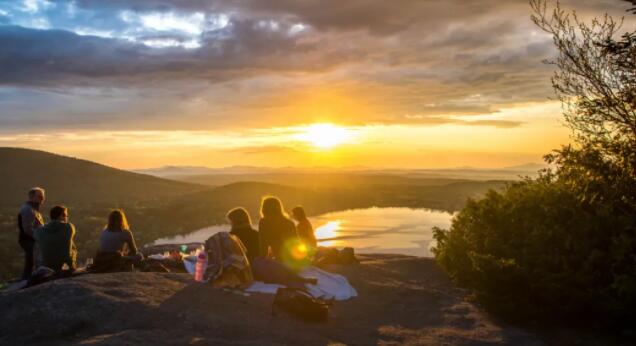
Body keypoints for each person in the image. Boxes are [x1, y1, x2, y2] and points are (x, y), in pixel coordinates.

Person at [34, 205, 77, 273]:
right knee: (72, 247)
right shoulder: (69, 227)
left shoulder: (40, 231)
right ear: (61, 216)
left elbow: (38, 232)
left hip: (47, 267)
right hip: (65, 268)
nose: (67, 218)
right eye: (66, 216)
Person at [258, 196, 300, 262]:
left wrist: (263, 261)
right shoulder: (289, 222)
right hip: (294, 260)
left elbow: (263, 245)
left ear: (264, 208)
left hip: (279, 260)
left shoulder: (264, 222)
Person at [17, 187, 46, 279]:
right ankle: (27, 280)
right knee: (32, 261)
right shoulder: (27, 209)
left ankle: (28, 279)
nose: (42, 198)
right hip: (29, 240)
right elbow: (27, 229)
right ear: (31, 197)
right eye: (39, 196)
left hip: (32, 240)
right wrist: (39, 238)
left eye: (43, 196)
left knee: (32, 261)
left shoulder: (33, 209)